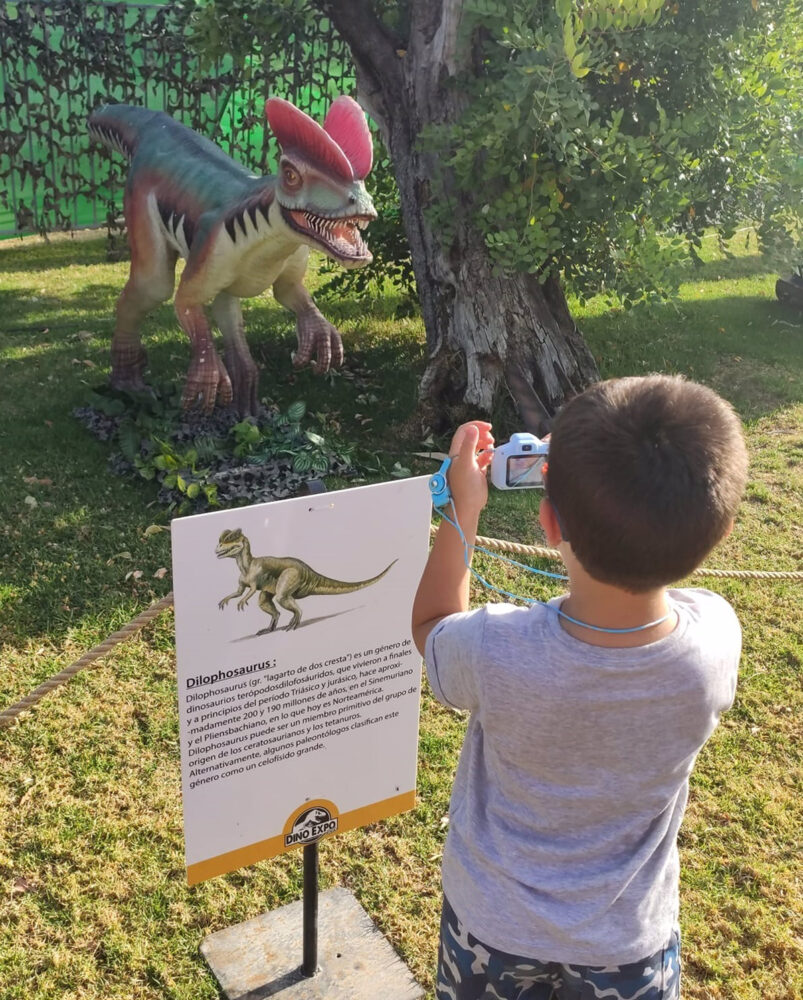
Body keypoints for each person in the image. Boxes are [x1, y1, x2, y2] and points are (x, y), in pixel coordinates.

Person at [411, 374, 749, 1000]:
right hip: (629, 946)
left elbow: (432, 626)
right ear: (721, 533)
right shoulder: (715, 640)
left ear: (545, 520)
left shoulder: (494, 646)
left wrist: (465, 506)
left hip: (490, 930)